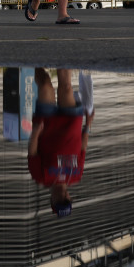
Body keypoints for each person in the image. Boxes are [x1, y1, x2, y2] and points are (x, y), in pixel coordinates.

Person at [27, 68, 92, 217]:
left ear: (52, 200)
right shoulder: (76, 175)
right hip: (71, 122)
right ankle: (62, 50)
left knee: (45, 85)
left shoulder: (41, 177)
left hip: (47, 124)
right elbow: (82, 149)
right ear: (70, 198)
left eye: (59, 201)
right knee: (66, 87)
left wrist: (36, 133)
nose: (63, 197)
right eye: (66, 200)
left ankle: (32, 59)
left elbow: (33, 153)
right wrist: (88, 125)